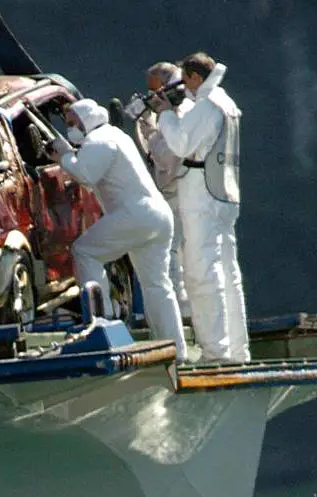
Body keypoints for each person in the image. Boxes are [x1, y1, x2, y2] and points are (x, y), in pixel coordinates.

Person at [49, 98, 187, 361]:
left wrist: (64, 155)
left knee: (85, 251)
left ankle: (102, 321)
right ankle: (176, 352)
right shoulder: (115, 135)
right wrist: (69, 155)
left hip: (135, 215)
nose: (70, 129)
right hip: (157, 216)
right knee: (157, 286)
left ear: (86, 120)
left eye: (72, 123)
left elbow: (86, 175)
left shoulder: (98, 140)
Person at [156, 52, 250, 363]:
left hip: (202, 194)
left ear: (196, 77)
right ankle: (238, 349)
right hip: (225, 193)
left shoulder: (208, 103)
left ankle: (216, 351)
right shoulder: (227, 102)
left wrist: (166, 114)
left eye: (185, 81)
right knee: (228, 272)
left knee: (201, 271)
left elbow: (181, 145)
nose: (184, 88)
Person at [134, 61, 193, 319]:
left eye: (155, 91)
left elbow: (165, 158)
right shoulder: (187, 108)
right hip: (186, 190)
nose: (153, 98)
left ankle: (183, 313)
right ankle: (188, 311)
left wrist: (148, 125)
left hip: (179, 191)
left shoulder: (179, 113)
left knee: (174, 255)